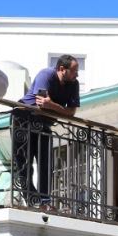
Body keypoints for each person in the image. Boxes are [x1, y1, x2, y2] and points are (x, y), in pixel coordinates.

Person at [12, 54, 80, 205]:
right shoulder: (46, 75)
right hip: (24, 117)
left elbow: (72, 112)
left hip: (44, 122)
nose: (77, 74)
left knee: (46, 162)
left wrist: (52, 106)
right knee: (24, 163)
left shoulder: (74, 84)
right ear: (62, 69)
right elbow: (42, 103)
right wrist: (58, 108)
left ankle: (44, 200)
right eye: (74, 71)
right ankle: (31, 199)